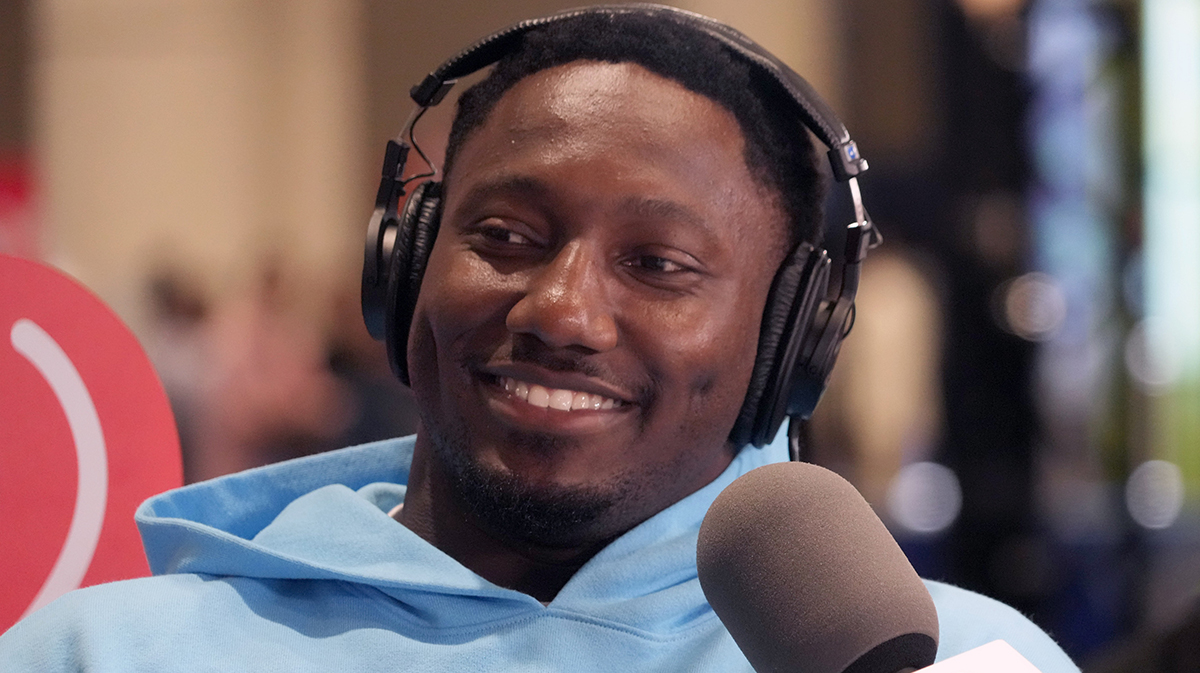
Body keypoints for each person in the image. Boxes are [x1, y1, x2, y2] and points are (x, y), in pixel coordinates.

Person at [0, 7, 1079, 671]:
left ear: (791, 338)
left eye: (659, 264)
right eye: (506, 236)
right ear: (406, 262)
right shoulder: (99, 653)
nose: (560, 309)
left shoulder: (957, 660)